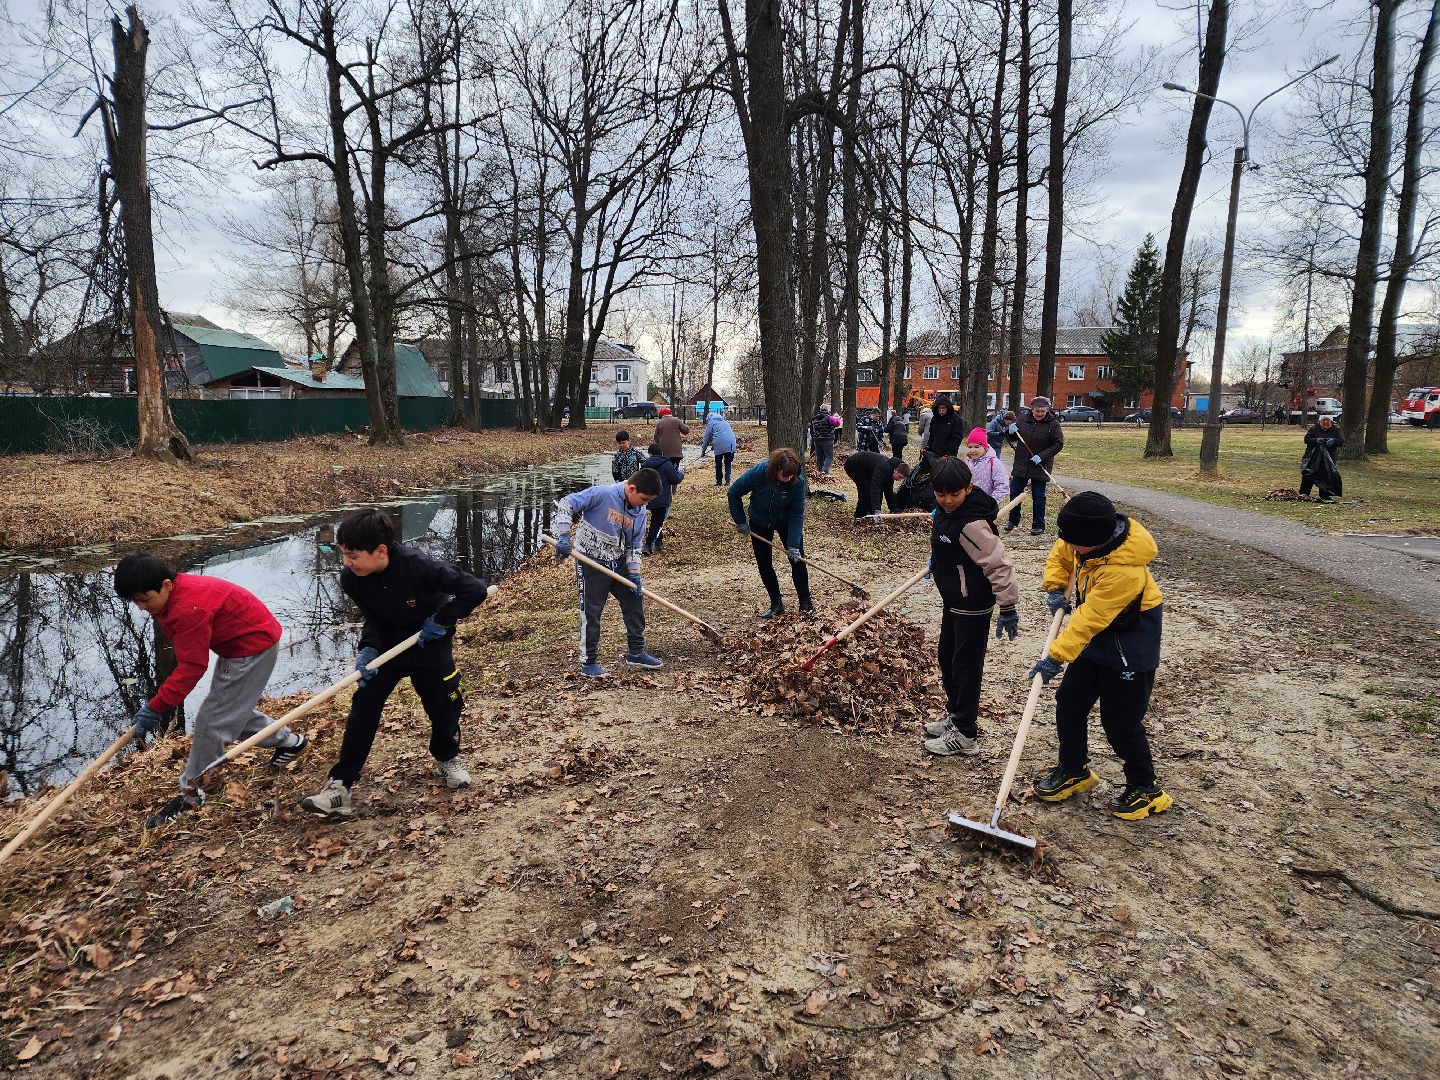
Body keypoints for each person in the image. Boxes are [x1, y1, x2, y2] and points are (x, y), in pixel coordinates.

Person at [300, 509, 489, 819]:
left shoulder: (420, 566)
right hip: (388, 648)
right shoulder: (351, 578)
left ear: (380, 551)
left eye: (353, 556)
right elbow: (373, 615)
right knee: (364, 706)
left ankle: (447, 758)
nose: (346, 562)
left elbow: (475, 589)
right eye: (343, 554)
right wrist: (369, 647)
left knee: (444, 705)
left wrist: (442, 620)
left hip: (429, 643)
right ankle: (340, 786)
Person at [115, 553, 306, 828]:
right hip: (239, 645)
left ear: (166, 585)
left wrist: (156, 706)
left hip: (252, 647)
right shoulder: (174, 597)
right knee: (228, 712)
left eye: (145, 599)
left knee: (212, 720)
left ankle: (191, 793)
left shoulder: (187, 608)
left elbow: (192, 667)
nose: (142, 608)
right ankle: (290, 743)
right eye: (136, 602)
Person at [1027, 492, 1172, 821]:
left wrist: (1056, 656)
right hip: (1096, 637)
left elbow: (1089, 618)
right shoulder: (1081, 539)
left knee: (1120, 722)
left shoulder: (1124, 571)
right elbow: (1061, 554)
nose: (1069, 545)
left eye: (1074, 542)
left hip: (1130, 643)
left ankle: (1146, 788)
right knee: (1070, 702)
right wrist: (1055, 586)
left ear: (1095, 540)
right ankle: (1074, 769)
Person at [921, 458, 1020, 757]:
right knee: (948, 659)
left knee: (965, 667)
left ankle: (966, 733)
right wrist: (937, 561)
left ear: (969, 487)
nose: (948, 500)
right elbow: (948, 544)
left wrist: (1008, 606)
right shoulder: (946, 512)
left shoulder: (972, 524)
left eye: (954, 494)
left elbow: (998, 564)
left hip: (972, 603)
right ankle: (955, 715)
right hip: (953, 600)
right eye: (941, 494)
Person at [547, 469, 663, 679]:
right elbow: (566, 503)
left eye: (648, 501)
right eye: (644, 499)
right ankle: (589, 662)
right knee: (591, 612)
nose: (644, 504)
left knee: (634, 602)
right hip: (591, 562)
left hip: (619, 562)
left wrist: (634, 573)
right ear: (632, 488)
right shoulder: (602, 494)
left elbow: (634, 546)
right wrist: (563, 535)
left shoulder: (639, 512)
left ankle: (636, 652)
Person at [728, 448, 812, 618]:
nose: (788, 479)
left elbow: (796, 513)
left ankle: (805, 603)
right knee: (764, 563)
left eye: (791, 476)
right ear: (775, 470)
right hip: (760, 520)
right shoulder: (759, 473)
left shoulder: (797, 482)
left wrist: (793, 544)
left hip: (786, 521)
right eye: (784, 476)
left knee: (797, 560)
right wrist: (740, 521)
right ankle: (776, 604)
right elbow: (734, 492)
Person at [1005, 395, 1064, 536]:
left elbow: (1058, 444)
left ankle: (1038, 525)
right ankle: (1013, 520)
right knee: (1015, 492)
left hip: (1040, 464)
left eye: (1042, 411)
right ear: (1032, 409)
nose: (1039, 414)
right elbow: (1014, 438)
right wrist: (1009, 431)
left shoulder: (1053, 424)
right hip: (1022, 463)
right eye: (1037, 411)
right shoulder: (1023, 419)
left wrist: (1042, 456)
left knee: (1038, 495)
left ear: (1047, 410)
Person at [639, 443, 685, 555]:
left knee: (656, 520)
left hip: (648, 499)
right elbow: (675, 479)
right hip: (662, 499)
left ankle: (659, 542)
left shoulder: (645, 465)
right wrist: (681, 474)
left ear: (650, 454)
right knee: (658, 522)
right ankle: (648, 545)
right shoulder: (667, 464)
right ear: (662, 453)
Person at [843, 450, 910, 518]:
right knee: (866, 491)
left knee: (878, 489)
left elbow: (888, 491)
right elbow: (875, 488)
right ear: (895, 471)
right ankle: (859, 516)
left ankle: (871, 512)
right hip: (854, 465)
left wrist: (894, 509)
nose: (899, 480)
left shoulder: (891, 470)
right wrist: (877, 510)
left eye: (902, 478)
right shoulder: (883, 468)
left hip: (867, 468)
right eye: (900, 477)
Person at [1300, 415, 1344, 503]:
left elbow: (1341, 441)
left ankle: (1325, 494)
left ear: (1331, 421)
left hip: (1329, 457)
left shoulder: (1336, 430)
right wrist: (1316, 440)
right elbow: (1307, 440)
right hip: (1313, 455)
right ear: (1320, 421)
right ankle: (1304, 493)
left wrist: (1333, 441)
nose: (1326, 422)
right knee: (1308, 473)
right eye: (1324, 420)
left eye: (1328, 420)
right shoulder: (1314, 429)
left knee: (1326, 475)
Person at [699, 410, 738, 486]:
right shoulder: (725, 422)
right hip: (731, 444)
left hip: (720, 445)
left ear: (708, 419)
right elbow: (723, 435)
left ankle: (719, 482)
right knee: (728, 462)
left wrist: (703, 451)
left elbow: (706, 438)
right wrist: (714, 446)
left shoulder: (711, 423)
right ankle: (728, 481)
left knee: (718, 463)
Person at [923, 394, 964, 463]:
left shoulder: (956, 420)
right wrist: (927, 447)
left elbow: (956, 438)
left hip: (949, 454)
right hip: (934, 452)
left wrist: (949, 453)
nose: (941, 410)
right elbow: (931, 436)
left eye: (944, 408)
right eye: (939, 408)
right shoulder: (935, 419)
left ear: (948, 408)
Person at [809, 406, 837, 477]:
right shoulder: (829, 418)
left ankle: (818, 471)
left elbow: (813, 429)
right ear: (827, 410)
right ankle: (825, 471)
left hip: (817, 440)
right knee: (829, 456)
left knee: (819, 457)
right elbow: (837, 423)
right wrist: (837, 419)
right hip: (827, 440)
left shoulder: (815, 419)